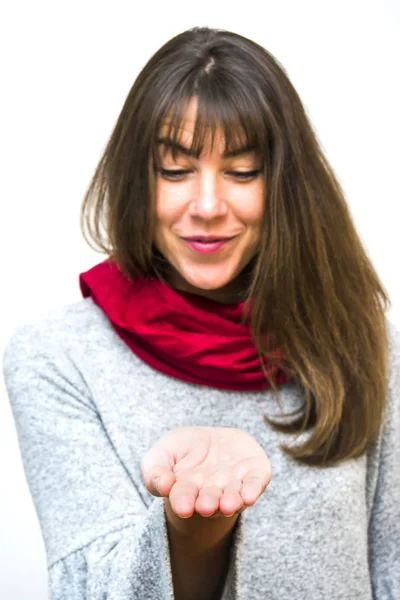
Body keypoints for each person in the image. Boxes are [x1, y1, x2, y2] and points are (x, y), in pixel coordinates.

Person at [2, 26, 399, 600]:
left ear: (285, 184)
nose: (208, 206)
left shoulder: (367, 344)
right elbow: (91, 590)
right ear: (137, 178)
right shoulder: (56, 358)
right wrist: (193, 524)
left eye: (242, 171)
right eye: (175, 169)